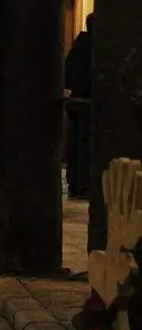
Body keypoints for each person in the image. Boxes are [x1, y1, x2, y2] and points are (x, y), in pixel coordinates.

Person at [64, 14, 93, 199]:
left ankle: (74, 183)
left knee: (75, 143)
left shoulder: (79, 45)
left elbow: (68, 70)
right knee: (85, 144)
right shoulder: (94, 46)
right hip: (87, 103)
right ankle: (82, 184)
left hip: (75, 101)